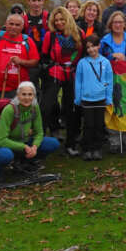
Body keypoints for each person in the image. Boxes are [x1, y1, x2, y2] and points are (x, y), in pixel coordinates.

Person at [0, 81, 58, 180]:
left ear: (34, 96)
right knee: (5, 155)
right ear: (18, 95)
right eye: (23, 94)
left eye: (30, 94)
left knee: (53, 143)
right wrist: (24, 147)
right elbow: (1, 140)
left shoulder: (34, 107)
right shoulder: (9, 110)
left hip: (23, 142)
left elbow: (39, 132)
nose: (27, 98)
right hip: (1, 145)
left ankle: (25, 163)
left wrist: (34, 147)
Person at [40, 8, 81, 153]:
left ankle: (71, 144)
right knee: (46, 107)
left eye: (62, 19)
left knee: (72, 109)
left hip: (73, 74)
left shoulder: (78, 33)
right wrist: (49, 67)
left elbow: (83, 54)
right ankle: (38, 143)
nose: (59, 22)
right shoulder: (50, 35)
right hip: (55, 73)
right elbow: (44, 56)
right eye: (56, 20)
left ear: (68, 19)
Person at [74, 35, 113, 161]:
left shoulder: (106, 62)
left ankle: (97, 149)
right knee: (88, 125)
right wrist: (78, 97)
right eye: (88, 47)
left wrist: (108, 97)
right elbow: (78, 81)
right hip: (87, 99)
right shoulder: (82, 63)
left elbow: (109, 81)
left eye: (93, 46)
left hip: (101, 99)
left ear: (99, 46)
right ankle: (87, 149)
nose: (91, 49)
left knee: (99, 125)